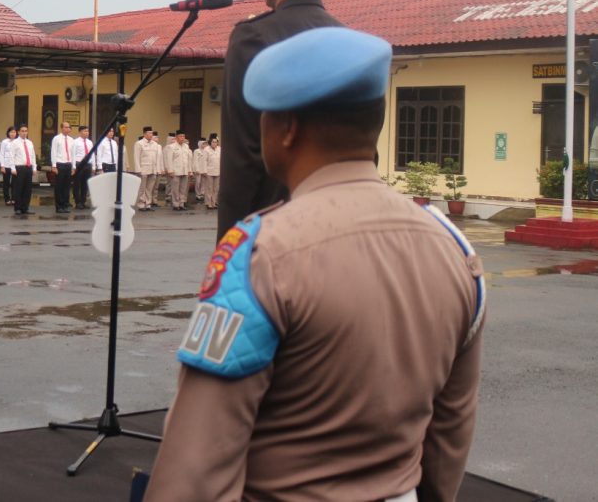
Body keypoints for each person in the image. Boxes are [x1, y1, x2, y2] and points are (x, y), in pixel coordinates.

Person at [145, 27, 486, 501]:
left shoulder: (260, 253)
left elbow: (197, 465)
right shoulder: (456, 251)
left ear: (285, 130)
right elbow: (450, 432)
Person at [217, 0, 344, 240]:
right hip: (336, 227)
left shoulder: (255, 37)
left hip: (271, 233)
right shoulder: (348, 41)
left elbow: (242, 157)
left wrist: (229, 252)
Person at [133, 127, 163, 211]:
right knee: (142, 188)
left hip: (152, 169)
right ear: (144, 134)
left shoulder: (155, 144)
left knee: (150, 188)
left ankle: (148, 204)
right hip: (143, 169)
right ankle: (141, 204)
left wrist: (157, 169)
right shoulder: (139, 143)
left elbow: (157, 158)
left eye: (151, 133)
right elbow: (136, 157)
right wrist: (138, 169)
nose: (151, 135)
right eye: (149, 133)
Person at [10, 124, 37, 215]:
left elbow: (32, 156)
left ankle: (25, 207)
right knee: (18, 188)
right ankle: (17, 208)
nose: (24, 133)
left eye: (26, 131)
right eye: (22, 131)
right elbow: (11, 156)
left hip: (28, 167)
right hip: (19, 168)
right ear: (18, 132)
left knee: (27, 189)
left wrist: (34, 167)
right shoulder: (15, 143)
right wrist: (13, 168)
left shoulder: (29, 143)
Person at [164, 130, 194, 211]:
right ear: (176, 137)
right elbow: (169, 159)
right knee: (175, 189)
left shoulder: (186, 146)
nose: (182, 138)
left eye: (183, 136)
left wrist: (190, 170)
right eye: (181, 136)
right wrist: (170, 170)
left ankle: (182, 203)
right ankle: (175, 204)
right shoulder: (171, 147)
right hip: (175, 171)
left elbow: (188, 159)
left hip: (185, 170)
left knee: (183, 189)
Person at [50, 121, 74, 212]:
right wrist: (54, 165)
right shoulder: (56, 138)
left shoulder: (71, 140)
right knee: (59, 186)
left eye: (69, 127)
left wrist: (73, 166)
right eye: (66, 127)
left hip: (68, 164)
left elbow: (73, 154)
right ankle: (59, 206)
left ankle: (65, 205)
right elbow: (53, 152)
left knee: (67, 186)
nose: (68, 129)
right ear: (62, 128)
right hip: (60, 164)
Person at [71, 125, 94, 209]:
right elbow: (73, 155)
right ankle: (77, 201)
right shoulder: (75, 142)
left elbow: (92, 155)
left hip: (88, 164)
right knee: (77, 183)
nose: (87, 133)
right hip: (79, 164)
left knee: (85, 184)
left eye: (87, 131)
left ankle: (83, 201)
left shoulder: (90, 142)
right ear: (80, 132)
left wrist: (93, 166)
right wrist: (73, 166)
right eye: (85, 131)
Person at [0, 125, 17, 205]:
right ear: (8, 133)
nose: (13, 134)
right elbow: (1, 154)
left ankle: (14, 198)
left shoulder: (17, 142)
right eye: (11, 132)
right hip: (6, 165)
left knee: (15, 183)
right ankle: (7, 199)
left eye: (14, 132)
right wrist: (2, 165)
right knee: (6, 183)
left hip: (15, 165)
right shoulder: (4, 142)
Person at [204, 134, 221, 209]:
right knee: (209, 188)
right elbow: (204, 161)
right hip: (209, 171)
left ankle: (214, 202)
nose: (214, 143)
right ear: (210, 142)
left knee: (216, 188)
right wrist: (204, 171)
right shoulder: (206, 149)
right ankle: (208, 203)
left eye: (216, 142)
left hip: (217, 171)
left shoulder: (220, 149)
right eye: (213, 142)